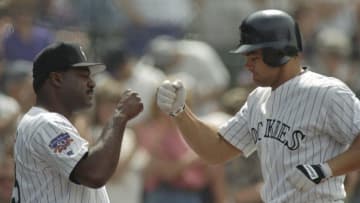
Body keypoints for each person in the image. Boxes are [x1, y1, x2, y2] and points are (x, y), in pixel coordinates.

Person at [156, 9, 360, 203]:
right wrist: (180, 112)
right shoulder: (258, 99)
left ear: (278, 54)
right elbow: (215, 151)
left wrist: (326, 169)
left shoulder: (327, 92)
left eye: (254, 58)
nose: (247, 65)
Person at [11, 42, 143, 203]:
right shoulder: (45, 122)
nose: (92, 83)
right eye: (83, 76)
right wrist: (120, 116)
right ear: (57, 78)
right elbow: (94, 174)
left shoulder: (39, 120)